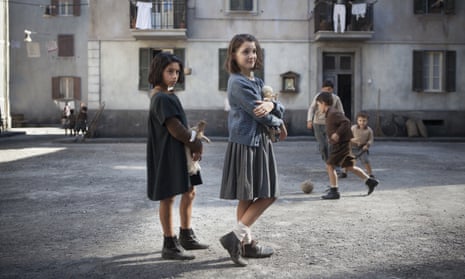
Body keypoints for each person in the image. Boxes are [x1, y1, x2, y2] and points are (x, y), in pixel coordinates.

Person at [219, 33, 288, 267]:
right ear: (234, 55)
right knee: (270, 193)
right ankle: (235, 238)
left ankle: (246, 244)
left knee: (248, 197)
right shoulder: (237, 82)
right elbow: (260, 115)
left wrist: (273, 104)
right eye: (245, 51)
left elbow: (274, 107)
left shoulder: (256, 82)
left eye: (254, 51)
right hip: (246, 144)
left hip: (259, 143)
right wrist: (278, 119)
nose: (251, 55)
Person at [146, 52, 209, 261]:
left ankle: (186, 236)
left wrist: (192, 141)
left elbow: (181, 129)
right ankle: (169, 243)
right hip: (169, 153)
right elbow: (176, 130)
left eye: (177, 72)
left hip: (180, 152)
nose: (174, 76)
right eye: (170, 71)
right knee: (168, 196)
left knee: (189, 191)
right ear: (159, 72)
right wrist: (196, 142)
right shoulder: (161, 97)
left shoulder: (168, 94)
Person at [316, 92, 379, 200]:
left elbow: (346, 122)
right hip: (343, 143)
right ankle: (370, 181)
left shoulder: (333, 113)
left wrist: (337, 134)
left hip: (340, 144)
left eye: (318, 104)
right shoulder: (330, 113)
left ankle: (334, 191)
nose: (318, 107)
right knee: (349, 166)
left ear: (323, 103)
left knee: (330, 165)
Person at [307, 80, 344, 163]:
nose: (325, 91)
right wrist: (309, 120)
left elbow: (341, 112)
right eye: (324, 89)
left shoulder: (336, 98)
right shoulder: (318, 97)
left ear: (331, 90)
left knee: (330, 144)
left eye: (328, 89)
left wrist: (340, 123)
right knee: (322, 146)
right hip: (317, 123)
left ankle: (331, 163)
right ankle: (327, 161)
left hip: (330, 124)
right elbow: (312, 108)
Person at [339, 111, 375, 178]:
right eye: (360, 120)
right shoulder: (353, 128)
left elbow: (371, 139)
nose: (362, 122)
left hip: (362, 148)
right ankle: (344, 172)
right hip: (352, 147)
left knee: (366, 160)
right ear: (357, 121)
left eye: (364, 121)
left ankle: (370, 174)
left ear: (367, 121)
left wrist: (367, 145)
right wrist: (352, 140)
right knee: (348, 160)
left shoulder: (369, 130)